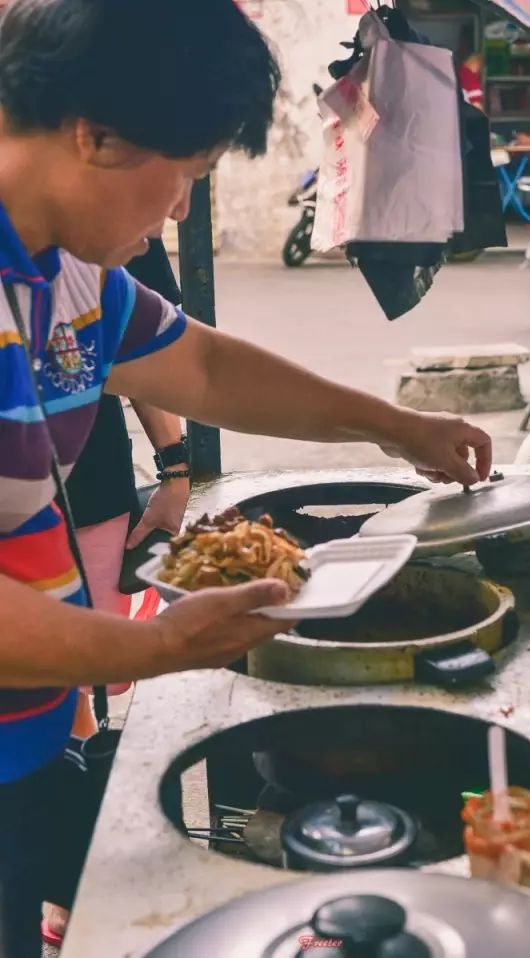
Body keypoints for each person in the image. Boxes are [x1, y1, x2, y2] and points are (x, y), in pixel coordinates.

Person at [0, 2, 492, 956]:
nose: (180, 209)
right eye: (185, 175)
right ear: (92, 135)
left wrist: (395, 425)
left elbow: (207, 370)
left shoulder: (62, 273)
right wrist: (154, 647)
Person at [40, 239, 190, 948]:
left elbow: (169, 359)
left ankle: (67, 874)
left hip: (93, 489)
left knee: (75, 689)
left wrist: (176, 464)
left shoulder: (114, 242)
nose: (173, 209)